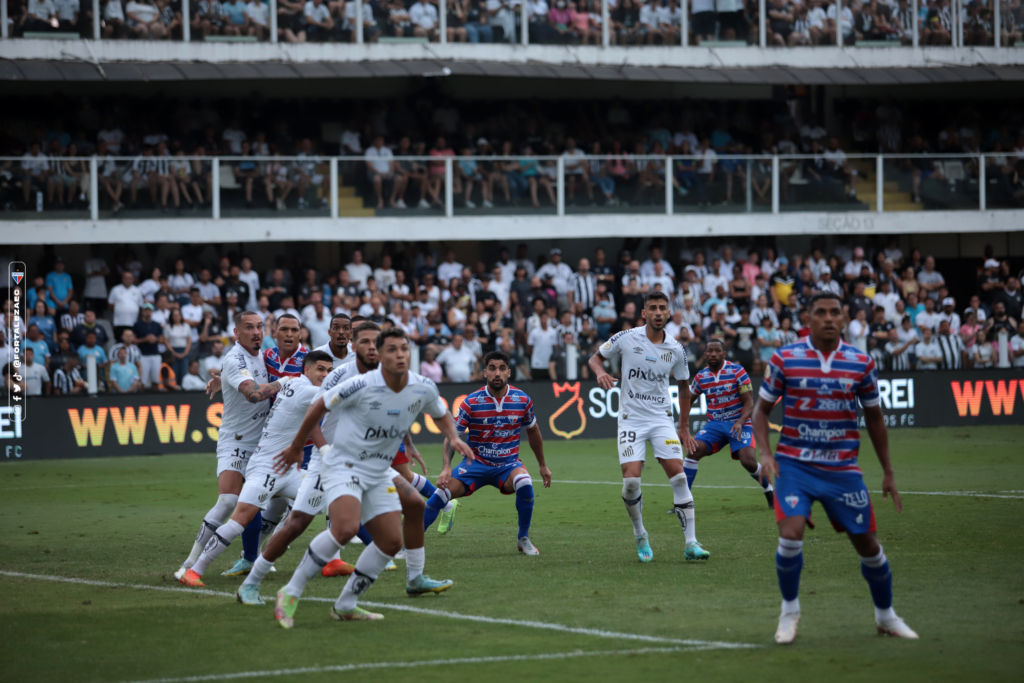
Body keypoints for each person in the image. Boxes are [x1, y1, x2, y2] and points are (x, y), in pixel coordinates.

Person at [271, 327, 473, 625]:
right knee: (345, 528)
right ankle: (290, 591)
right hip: (343, 464)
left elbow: (440, 411)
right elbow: (318, 405)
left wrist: (453, 437)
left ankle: (346, 604)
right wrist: (298, 445)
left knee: (391, 541)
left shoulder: (422, 385)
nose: (400, 354)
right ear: (379, 355)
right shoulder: (361, 384)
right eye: (391, 349)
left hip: (378, 471)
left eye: (404, 348)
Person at [752, 292, 917, 645]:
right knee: (790, 534)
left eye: (835, 312)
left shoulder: (861, 362)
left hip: (843, 469)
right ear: (808, 319)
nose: (828, 318)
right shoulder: (785, 358)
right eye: (821, 312)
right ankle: (789, 613)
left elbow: (875, 418)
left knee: (868, 545)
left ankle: (886, 616)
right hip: (794, 465)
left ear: (844, 319)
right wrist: (765, 452)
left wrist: (888, 471)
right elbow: (760, 411)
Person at [178, 351, 334, 589]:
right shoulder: (308, 390)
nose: (325, 375)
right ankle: (194, 570)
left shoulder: (297, 383)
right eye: (320, 369)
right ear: (307, 370)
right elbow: (341, 395)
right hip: (265, 467)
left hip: (286, 467)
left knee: (326, 495)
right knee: (238, 520)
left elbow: (311, 420)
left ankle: (273, 555)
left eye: (329, 371)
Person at [587, 291, 707, 563]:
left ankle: (691, 543)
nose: (657, 312)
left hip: (661, 419)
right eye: (652, 308)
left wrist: (684, 426)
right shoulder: (626, 337)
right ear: (644, 313)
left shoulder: (676, 349)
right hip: (631, 419)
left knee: (678, 476)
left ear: (668, 313)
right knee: (630, 482)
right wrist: (600, 372)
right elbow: (595, 358)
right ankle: (640, 534)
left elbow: (684, 388)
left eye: (662, 308)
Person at [173, 311, 288, 581]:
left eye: (260, 326)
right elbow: (254, 394)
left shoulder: (265, 354)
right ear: (236, 333)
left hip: (263, 443)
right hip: (236, 441)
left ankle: (252, 555)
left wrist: (220, 380)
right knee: (228, 501)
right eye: (249, 327)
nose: (256, 331)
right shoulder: (235, 358)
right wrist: (283, 383)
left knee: (279, 501)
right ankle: (189, 563)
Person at [421, 350, 551, 556]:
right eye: (492, 368)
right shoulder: (471, 402)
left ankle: (523, 538)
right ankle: (410, 544)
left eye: (501, 369)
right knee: (440, 494)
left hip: (508, 465)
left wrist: (542, 464)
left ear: (509, 372)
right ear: (485, 372)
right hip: (475, 464)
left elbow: (533, 431)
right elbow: (451, 436)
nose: (497, 373)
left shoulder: (522, 399)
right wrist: (446, 467)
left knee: (525, 482)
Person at [684, 340, 775, 508]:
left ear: (724, 354)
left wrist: (740, 422)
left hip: (739, 422)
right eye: (709, 351)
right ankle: (683, 501)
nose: (713, 354)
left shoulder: (737, 372)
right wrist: (683, 425)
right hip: (715, 425)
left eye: (717, 351)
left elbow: (749, 403)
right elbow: (687, 401)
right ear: (705, 355)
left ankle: (769, 489)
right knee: (692, 452)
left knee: (748, 461)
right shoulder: (701, 376)